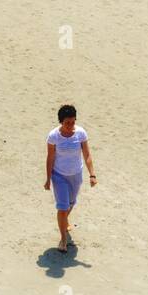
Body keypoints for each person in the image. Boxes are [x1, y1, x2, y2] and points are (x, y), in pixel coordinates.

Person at [45, 104, 95, 253]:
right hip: (59, 175)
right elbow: (50, 158)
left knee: (71, 203)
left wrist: (92, 174)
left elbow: (87, 154)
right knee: (63, 207)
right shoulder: (54, 136)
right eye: (67, 123)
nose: (71, 126)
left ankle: (64, 221)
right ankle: (63, 239)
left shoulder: (80, 133)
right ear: (61, 121)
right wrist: (48, 179)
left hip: (76, 175)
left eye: (73, 122)